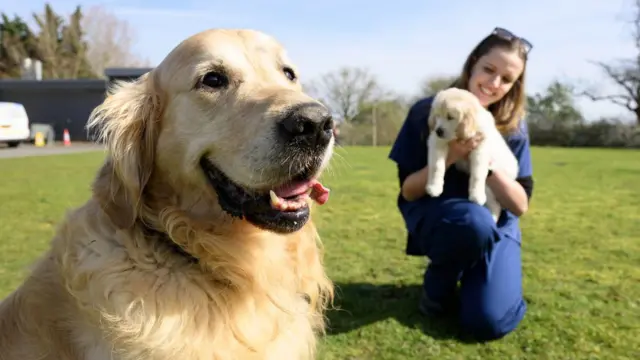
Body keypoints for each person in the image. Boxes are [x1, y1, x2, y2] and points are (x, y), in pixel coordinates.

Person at [388, 27, 535, 341]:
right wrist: (453, 154)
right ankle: (438, 285)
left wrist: (488, 163)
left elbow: (520, 205)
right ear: (473, 63)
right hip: (445, 215)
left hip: (498, 220)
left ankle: (478, 274)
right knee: (471, 221)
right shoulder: (429, 111)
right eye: (488, 70)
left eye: (506, 79)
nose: (494, 84)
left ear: (514, 85)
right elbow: (409, 190)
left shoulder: (514, 127)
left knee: (488, 322)